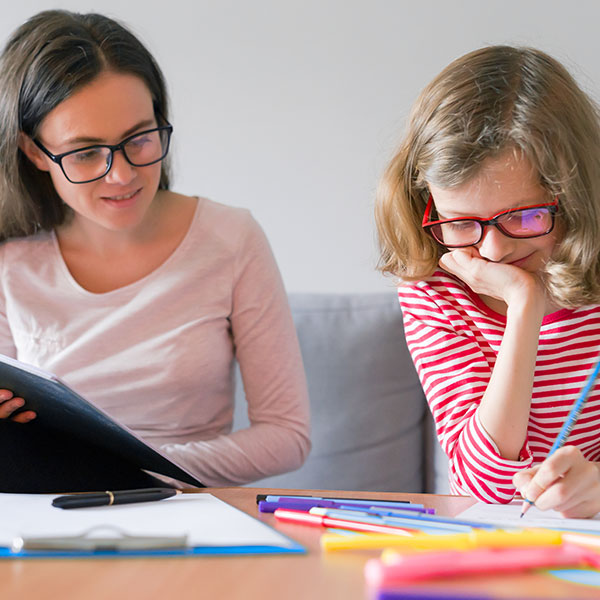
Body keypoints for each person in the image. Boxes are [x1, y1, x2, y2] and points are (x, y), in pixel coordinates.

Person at [0, 9, 310, 491]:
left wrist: (131, 465)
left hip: (186, 510)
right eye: (85, 153)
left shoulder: (230, 238)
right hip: (53, 512)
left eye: (139, 139)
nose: (121, 175)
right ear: (35, 151)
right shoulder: (10, 261)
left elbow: (287, 436)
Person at [376, 45, 600, 518]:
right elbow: (485, 487)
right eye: (461, 223)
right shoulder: (434, 289)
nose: (494, 253)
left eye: (523, 216)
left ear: (576, 196)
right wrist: (524, 306)